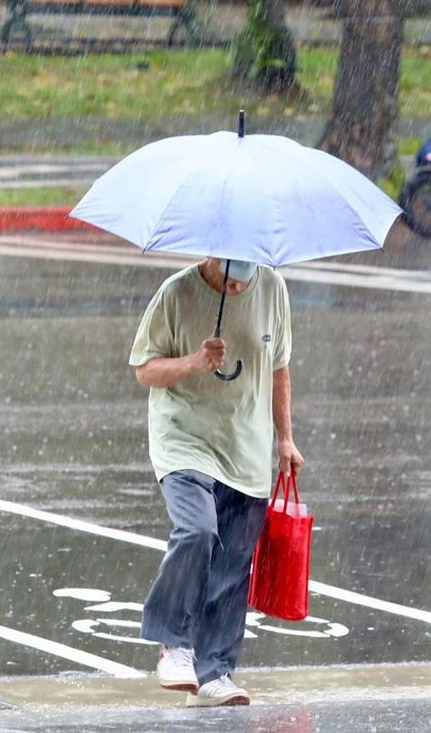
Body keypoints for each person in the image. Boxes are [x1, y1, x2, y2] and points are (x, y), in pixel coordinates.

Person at [130, 257, 304, 708]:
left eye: (244, 280)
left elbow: (279, 367)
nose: (236, 287)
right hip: (184, 437)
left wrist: (285, 438)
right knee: (197, 529)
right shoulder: (176, 293)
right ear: (210, 257)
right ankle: (173, 641)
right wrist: (193, 362)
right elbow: (145, 369)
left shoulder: (273, 289)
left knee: (232, 565)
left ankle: (216, 672)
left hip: (245, 442)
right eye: (228, 278)